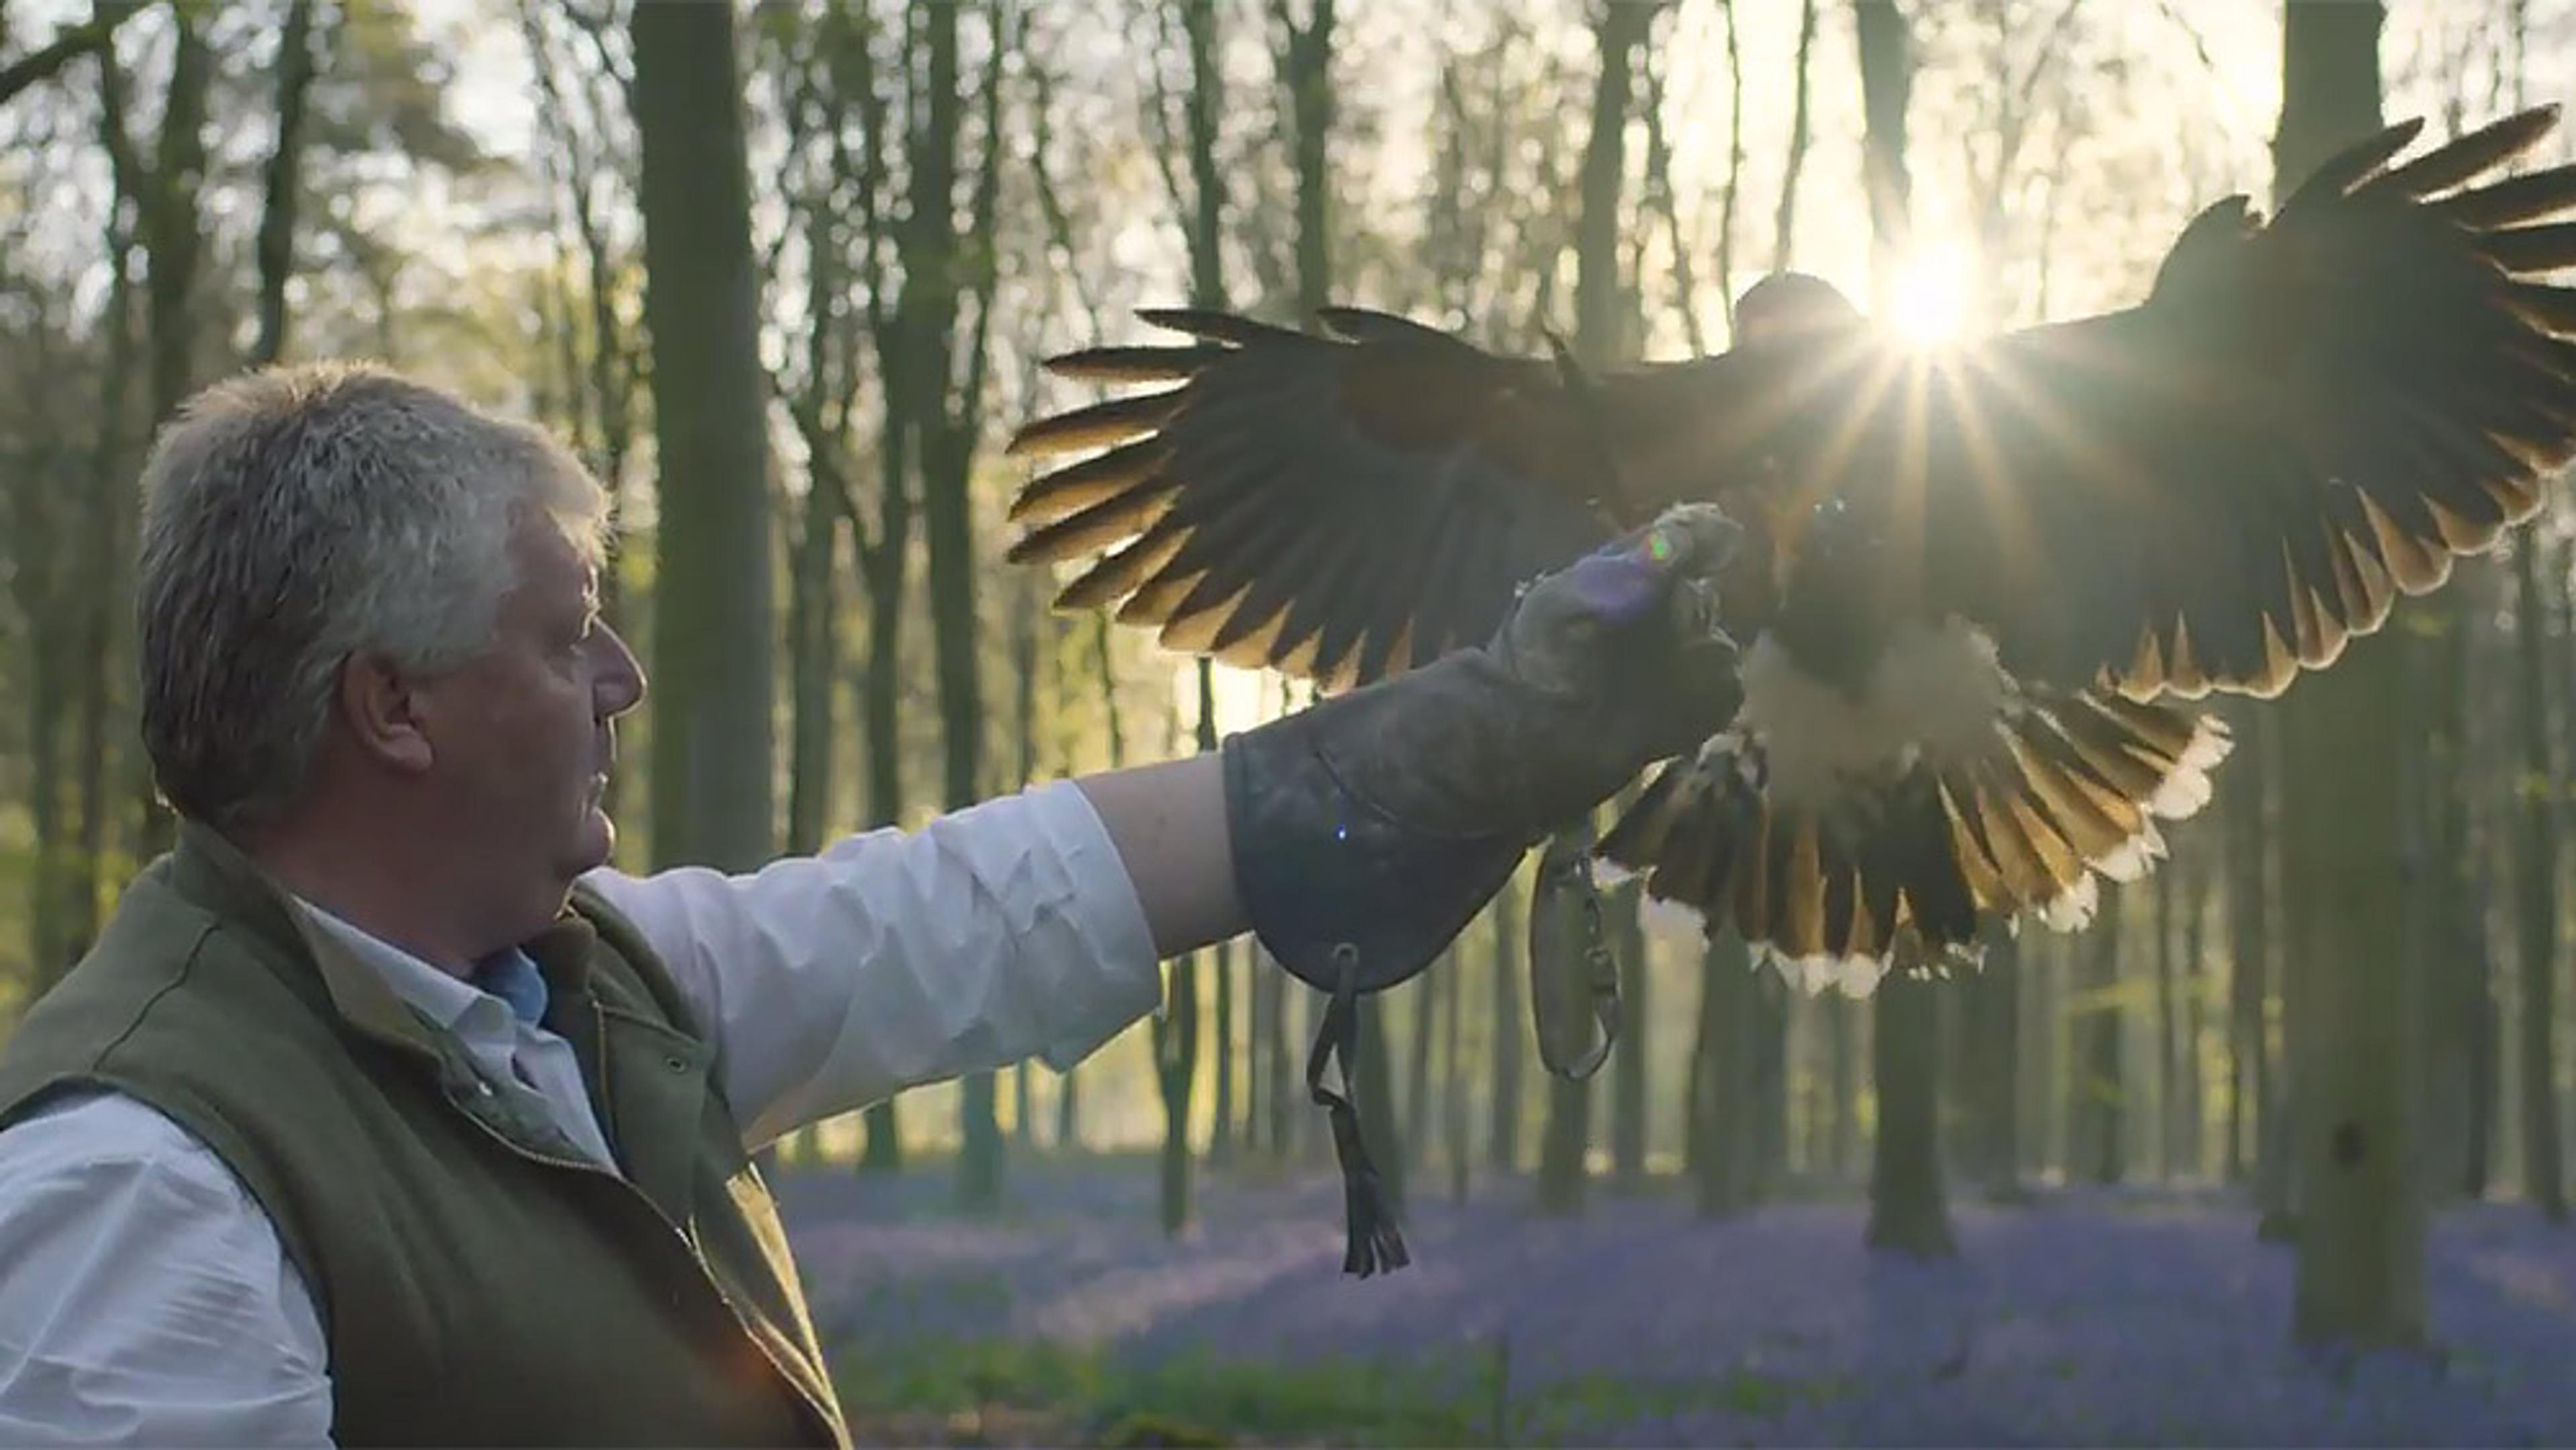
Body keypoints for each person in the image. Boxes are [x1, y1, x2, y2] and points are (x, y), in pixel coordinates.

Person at [0, 360, 1739, 1447]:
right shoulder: (141, 1185)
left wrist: (1480, 738)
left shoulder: (594, 984)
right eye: (563, 632)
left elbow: (976, 911)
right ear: (394, 707)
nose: (616, 677)